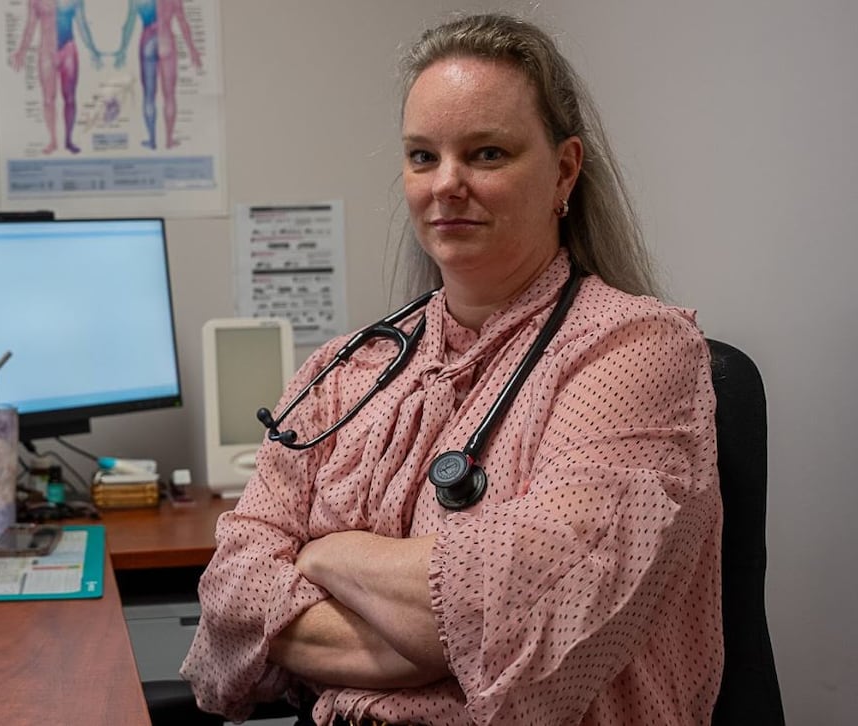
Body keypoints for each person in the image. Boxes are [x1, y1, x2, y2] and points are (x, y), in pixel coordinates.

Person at [180, 13, 723, 726]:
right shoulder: (348, 369)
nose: (447, 185)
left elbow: (525, 615)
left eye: (488, 154)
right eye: (422, 156)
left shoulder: (635, 352)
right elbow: (229, 595)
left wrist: (324, 554)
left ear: (564, 170)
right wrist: (434, 626)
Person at [12, 0, 102, 154]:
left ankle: (68, 139)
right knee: (48, 99)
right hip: (46, 51)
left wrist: (93, 50)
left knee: (70, 98)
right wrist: (22, 51)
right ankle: (53, 140)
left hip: (68, 49)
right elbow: (30, 26)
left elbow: (82, 24)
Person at [110, 0, 203, 149]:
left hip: (147, 41)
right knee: (170, 96)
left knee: (148, 96)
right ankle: (169, 140)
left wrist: (122, 51)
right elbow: (182, 21)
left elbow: (129, 24)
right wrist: (192, 50)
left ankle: (152, 140)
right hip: (166, 40)